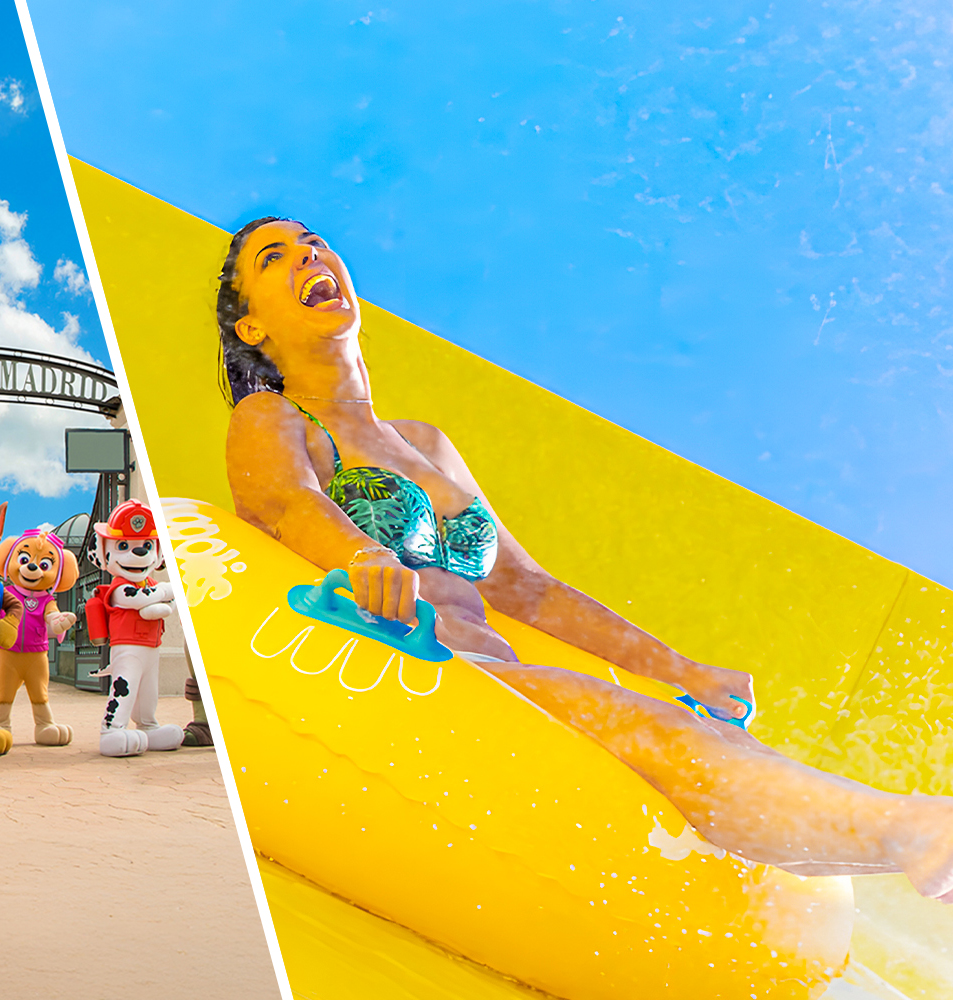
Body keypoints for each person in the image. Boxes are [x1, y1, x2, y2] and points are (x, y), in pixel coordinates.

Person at [218, 216, 953, 900]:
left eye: (313, 242)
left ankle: (907, 838)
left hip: (491, 673)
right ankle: (911, 828)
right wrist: (362, 553)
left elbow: (528, 591)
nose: (309, 256)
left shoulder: (428, 446)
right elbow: (288, 504)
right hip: (405, 680)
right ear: (252, 325)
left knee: (701, 731)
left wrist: (679, 669)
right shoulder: (275, 417)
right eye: (273, 258)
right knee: (641, 729)